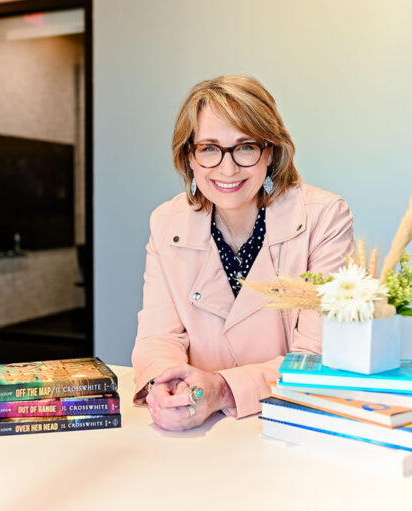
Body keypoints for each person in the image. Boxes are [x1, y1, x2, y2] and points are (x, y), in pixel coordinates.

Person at [131, 75, 355, 431]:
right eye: (209, 148)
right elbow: (158, 337)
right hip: (199, 430)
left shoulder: (324, 216)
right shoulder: (166, 221)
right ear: (189, 156)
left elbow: (318, 357)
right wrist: (165, 383)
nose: (228, 167)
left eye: (245, 147)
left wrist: (221, 390)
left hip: (289, 425)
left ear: (269, 151)